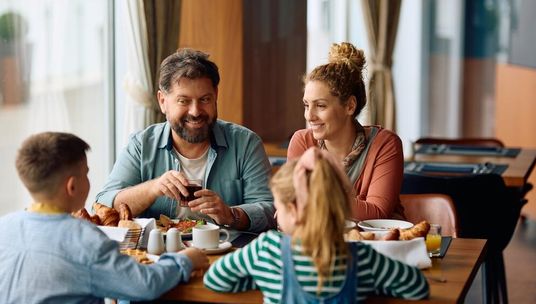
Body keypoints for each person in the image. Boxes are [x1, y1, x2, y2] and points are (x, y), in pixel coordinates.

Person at [0, 132, 209, 303]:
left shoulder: (4, 227)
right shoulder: (84, 239)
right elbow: (145, 285)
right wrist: (185, 260)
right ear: (72, 186)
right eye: (86, 173)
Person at [204, 147, 429, 303]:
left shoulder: (266, 250)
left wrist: (262, 279)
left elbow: (214, 279)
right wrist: (374, 284)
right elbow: (418, 287)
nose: (275, 216)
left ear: (293, 210)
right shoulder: (362, 258)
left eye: (278, 208)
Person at [96, 48, 275, 232]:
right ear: (162, 101)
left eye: (205, 99)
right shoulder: (142, 145)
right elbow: (104, 206)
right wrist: (153, 188)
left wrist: (231, 214)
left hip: (230, 255)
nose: (195, 111)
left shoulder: (245, 143)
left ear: (216, 97)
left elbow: (270, 211)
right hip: (159, 255)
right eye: (183, 101)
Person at [287, 42, 405, 220]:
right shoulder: (302, 142)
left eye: (320, 105)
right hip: (320, 245)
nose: (309, 116)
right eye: (306, 105)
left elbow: (376, 214)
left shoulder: (385, 144)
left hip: (375, 245)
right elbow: (293, 207)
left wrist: (312, 196)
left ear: (350, 106)